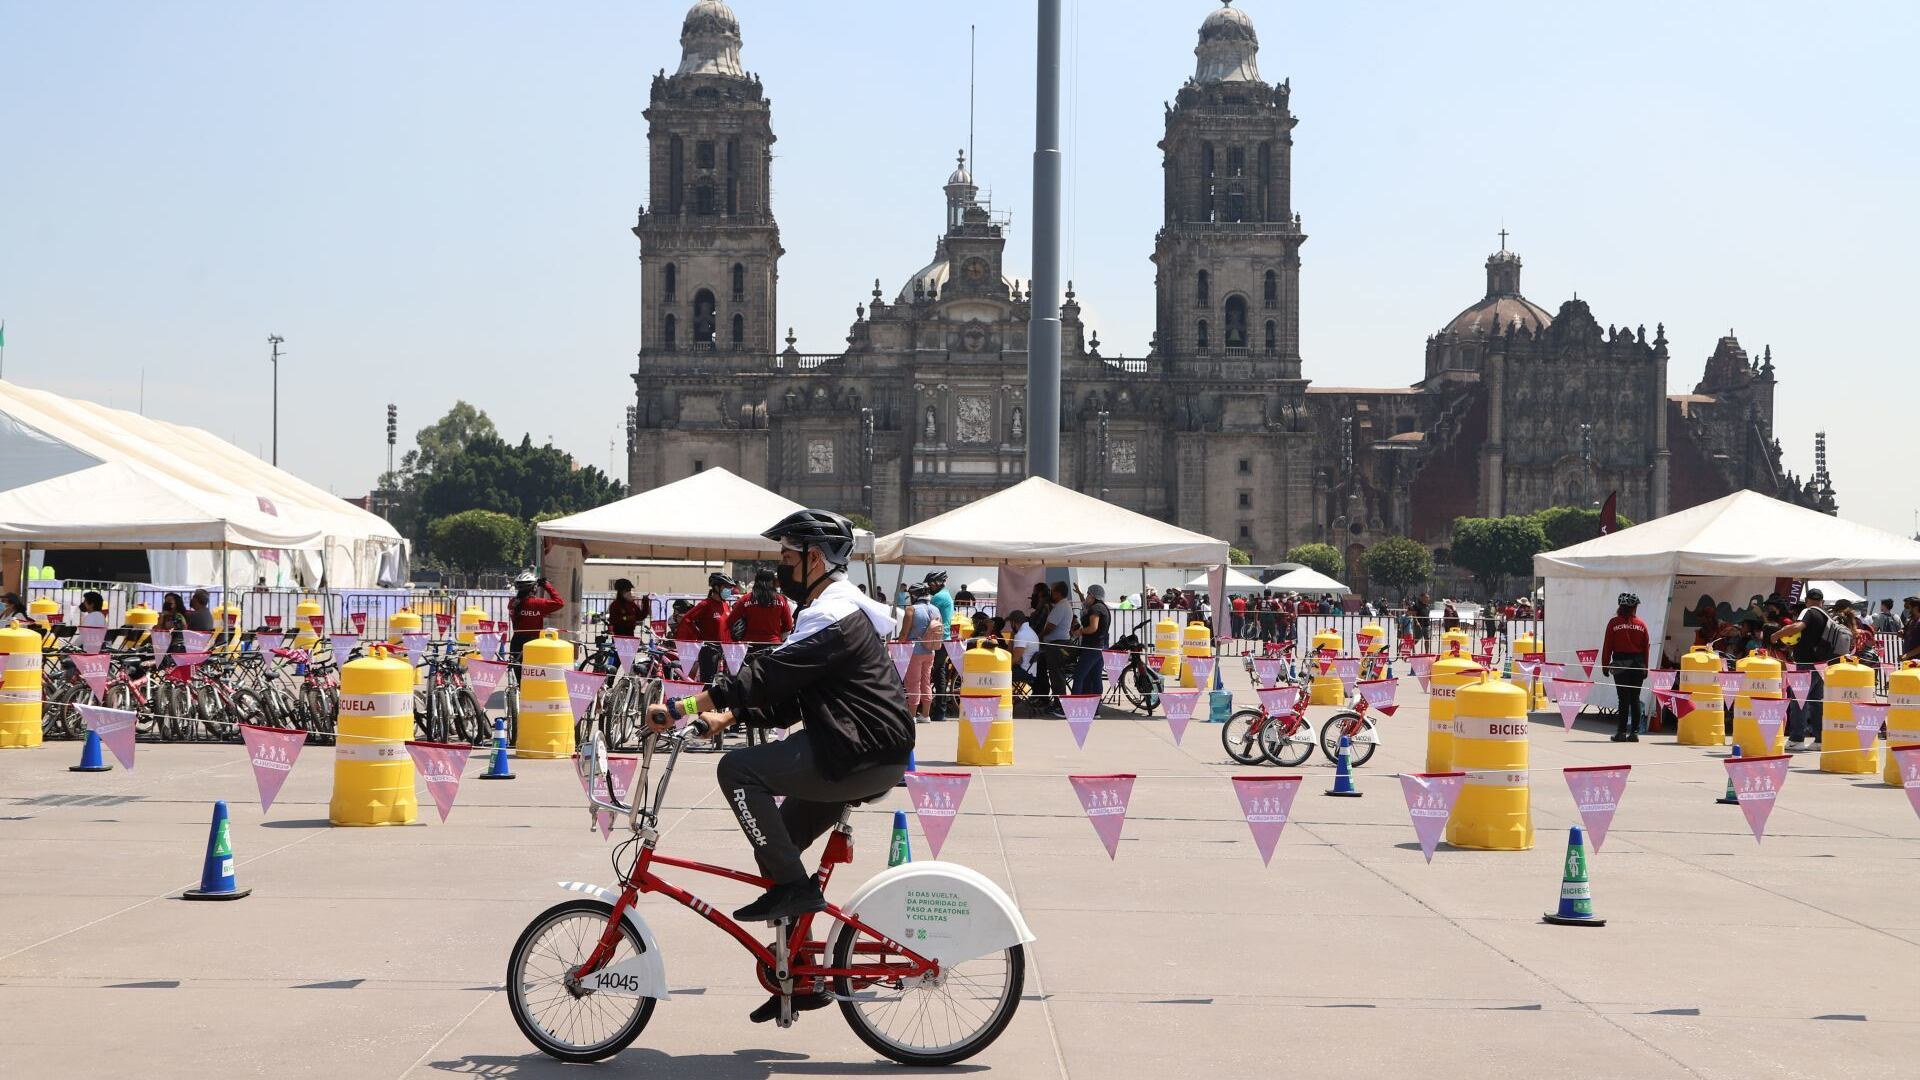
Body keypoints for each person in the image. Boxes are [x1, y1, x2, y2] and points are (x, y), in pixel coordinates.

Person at [645, 508, 912, 1024]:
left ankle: (797, 892)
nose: (781, 568)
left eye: (788, 557)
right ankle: (804, 976)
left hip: (860, 751)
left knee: (737, 772)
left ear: (814, 559)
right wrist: (726, 717)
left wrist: (682, 707)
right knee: (776, 849)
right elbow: (788, 698)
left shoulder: (829, 615)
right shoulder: (828, 610)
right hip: (854, 748)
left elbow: (765, 675)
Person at [1779, 588, 1835, 750]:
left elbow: (1798, 627)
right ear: (1822, 601)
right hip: (1821, 664)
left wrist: (1777, 634)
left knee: (1799, 701)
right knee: (1816, 703)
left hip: (1805, 663)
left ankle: (1796, 739)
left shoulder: (1808, 611)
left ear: (1807, 599)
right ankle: (1819, 740)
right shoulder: (1826, 615)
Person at [1601, 592, 1651, 741]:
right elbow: (1646, 648)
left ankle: (1621, 732)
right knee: (1635, 698)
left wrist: (1604, 665)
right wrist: (1645, 668)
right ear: (1634, 607)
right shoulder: (1641, 625)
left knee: (1623, 699)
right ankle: (1634, 733)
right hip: (1638, 663)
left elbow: (1607, 645)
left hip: (1620, 663)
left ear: (1620, 607)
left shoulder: (1613, 623)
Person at [674, 573, 737, 681]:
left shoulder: (726, 605)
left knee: (725, 685)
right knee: (707, 686)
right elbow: (687, 619)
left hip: (725, 651)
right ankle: (692, 699)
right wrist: (698, 636)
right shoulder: (705, 604)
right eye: (726, 587)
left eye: (730, 587)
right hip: (709, 652)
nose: (729, 590)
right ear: (716, 587)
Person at [897, 583, 941, 722]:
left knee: (913, 683)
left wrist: (898, 645)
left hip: (914, 651)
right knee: (926, 682)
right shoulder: (935, 609)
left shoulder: (911, 610)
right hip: (930, 650)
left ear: (915, 595)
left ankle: (912, 715)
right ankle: (926, 715)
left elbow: (904, 633)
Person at [508, 570, 565, 662]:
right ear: (534, 588)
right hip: (534, 643)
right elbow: (559, 602)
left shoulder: (513, 603)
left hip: (516, 642)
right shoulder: (539, 603)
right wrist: (547, 585)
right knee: (533, 673)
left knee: (518, 673)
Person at [730, 569, 795, 647]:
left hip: (749, 646)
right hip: (773, 644)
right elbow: (788, 625)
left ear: (756, 581)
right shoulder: (781, 599)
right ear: (772, 581)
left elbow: (731, 620)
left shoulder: (745, 599)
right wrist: (776, 633)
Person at [1071, 583, 1112, 695]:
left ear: (1093, 595)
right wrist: (1080, 594)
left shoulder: (1095, 609)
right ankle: (1095, 709)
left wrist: (1080, 631)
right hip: (1102, 647)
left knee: (1079, 676)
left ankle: (1075, 707)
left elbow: (1093, 628)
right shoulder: (1103, 607)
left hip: (1092, 647)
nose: (1087, 597)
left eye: (1088, 594)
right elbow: (1085, 604)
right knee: (1095, 677)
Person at [1900, 596, 1920, 663]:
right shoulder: (1910, 620)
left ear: (1916, 608)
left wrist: (1907, 655)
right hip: (1909, 661)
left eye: (1908, 607)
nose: (1905, 610)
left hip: (1917, 662)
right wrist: (1902, 633)